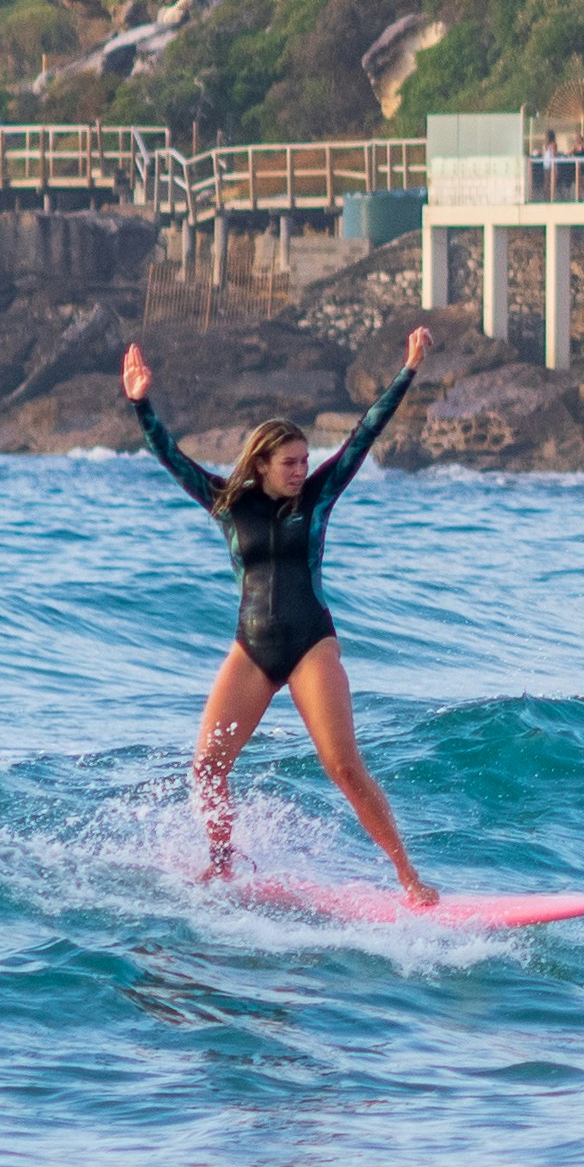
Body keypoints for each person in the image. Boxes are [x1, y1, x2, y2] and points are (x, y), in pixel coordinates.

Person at [118, 328, 438, 905]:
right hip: (252, 649)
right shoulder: (226, 502)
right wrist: (141, 404)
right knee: (208, 767)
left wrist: (407, 371)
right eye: (290, 462)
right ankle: (221, 866)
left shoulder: (317, 496)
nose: (300, 469)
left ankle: (409, 879)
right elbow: (170, 456)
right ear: (261, 463)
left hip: (311, 642)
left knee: (343, 767)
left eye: (304, 460)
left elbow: (364, 435)